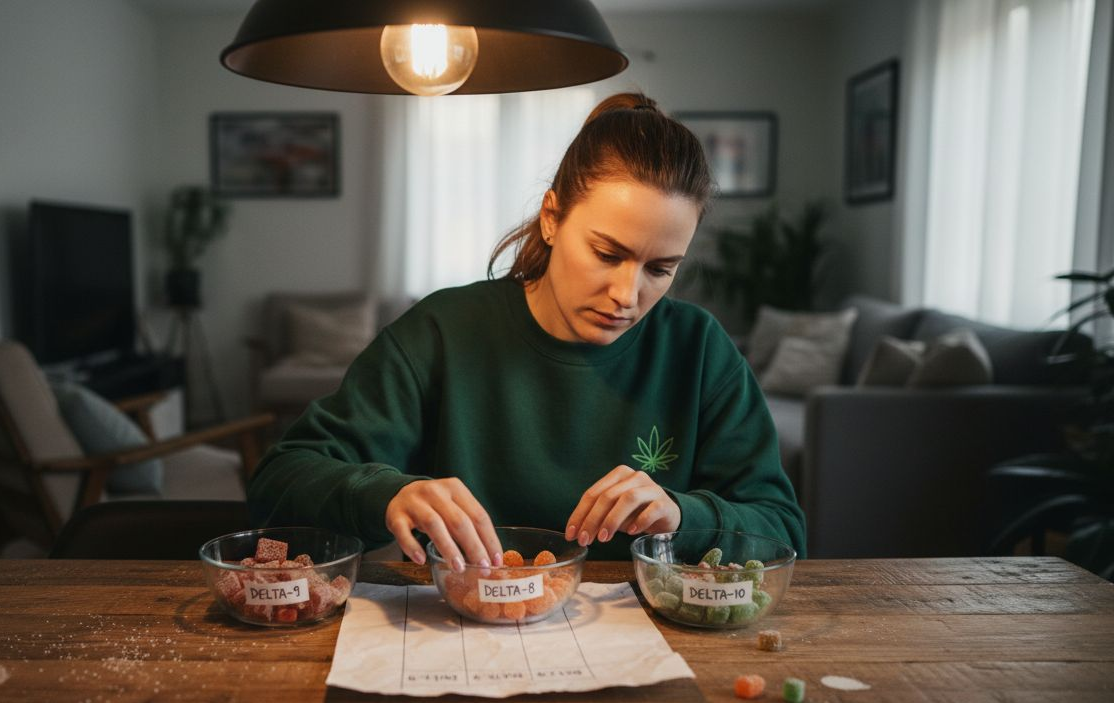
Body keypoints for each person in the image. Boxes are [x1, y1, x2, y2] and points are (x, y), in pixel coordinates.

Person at [248, 92, 804, 569]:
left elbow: (782, 530)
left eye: (661, 269)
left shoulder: (698, 349)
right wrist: (388, 494)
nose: (627, 296)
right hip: (464, 627)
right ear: (552, 216)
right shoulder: (442, 332)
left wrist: (685, 516)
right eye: (607, 253)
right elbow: (279, 482)